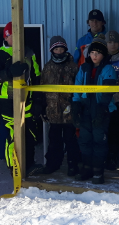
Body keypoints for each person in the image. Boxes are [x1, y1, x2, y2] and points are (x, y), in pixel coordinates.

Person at [0, 22, 42, 176]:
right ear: (6, 36)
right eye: (13, 36)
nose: (17, 39)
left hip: (28, 99)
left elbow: (37, 76)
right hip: (8, 101)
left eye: (20, 36)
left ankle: (29, 165)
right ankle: (14, 168)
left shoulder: (29, 53)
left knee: (30, 133)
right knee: (14, 134)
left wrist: (38, 99)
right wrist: (8, 73)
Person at [71, 35, 118, 184]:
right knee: (84, 140)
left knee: (99, 141)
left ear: (103, 54)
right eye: (92, 52)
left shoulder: (108, 68)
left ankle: (98, 171)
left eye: (98, 53)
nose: (94, 55)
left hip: (101, 110)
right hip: (85, 109)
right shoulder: (83, 68)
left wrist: (102, 109)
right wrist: (75, 105)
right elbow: (77, 88)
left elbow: (108, 91)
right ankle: (86, 168)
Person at [38, 36, 81, 176]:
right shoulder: (48, 67)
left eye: (61, 48)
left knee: (71, 140)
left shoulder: (73, 66)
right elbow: (42, 88)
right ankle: (52, 164)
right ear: (52, 50)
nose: (59, 51)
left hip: (69, 111)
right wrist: (43, 106)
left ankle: (73, 165)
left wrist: (76, 105)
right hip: (53, 111)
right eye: (56, 48)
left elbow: (79, 87)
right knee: (54, 140)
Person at [106, 30, 119, 170]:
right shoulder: (100, 57)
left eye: (115, 42)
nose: (113, 45)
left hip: (118, 101)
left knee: (115, 131)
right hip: (103, 101)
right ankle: (102, 157)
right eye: (110, 42)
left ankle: (113, 157)